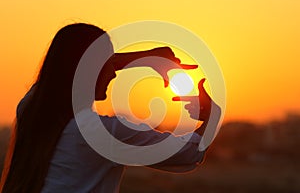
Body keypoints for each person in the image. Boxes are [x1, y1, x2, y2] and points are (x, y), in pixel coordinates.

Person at [0, 23, 220, 193]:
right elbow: (190, 154)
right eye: (107, 64)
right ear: (88, 70)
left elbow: (62, 71)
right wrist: (211, 115)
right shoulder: (101, 133)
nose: (114, 73)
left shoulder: (30, 108)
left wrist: (144, 57)